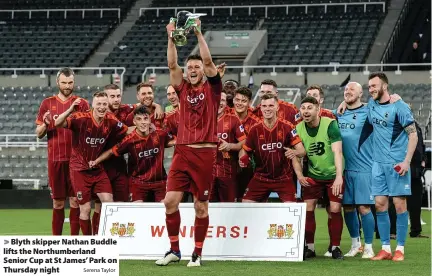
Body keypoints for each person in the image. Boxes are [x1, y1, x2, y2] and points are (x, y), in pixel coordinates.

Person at [156, 18, 222, 267]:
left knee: (200, 206)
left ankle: (197, 252)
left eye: (197, 67)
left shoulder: (213, 89)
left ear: (203, 71)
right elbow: (172, 63)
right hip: (182, 153)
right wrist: (171, 36)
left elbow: (208, 61)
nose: (194, 69)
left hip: (205, 154)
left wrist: (198, 34)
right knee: (170, 201)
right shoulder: (182, 89)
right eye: (190, 67)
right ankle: (174, 250)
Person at [337, 72, 418, 261]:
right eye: (369, 86)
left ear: (384, 86)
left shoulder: (400, 106)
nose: (371, 89)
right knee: (380, 206)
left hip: (397, 164)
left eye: (374, 86)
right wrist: (343, 104)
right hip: (377, 165)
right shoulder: (371, 105)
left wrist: (406, 161)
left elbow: (413, 135)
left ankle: (400, 249)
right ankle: (385, 248)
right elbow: (358, 106)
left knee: (399, 206)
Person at [54, 91, 129, 235]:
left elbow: (127, 131)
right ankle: (89, 243)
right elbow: (57, 123)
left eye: (104, 104)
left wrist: (146, 128)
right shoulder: (80, 118)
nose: (102, 107)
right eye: (99, 104)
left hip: (97, 168)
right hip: (79, 170)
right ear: (93, 105)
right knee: (86, 208)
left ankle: (106, 237)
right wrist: (70, 109)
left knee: (109, 202)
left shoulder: (111, 120)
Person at [35, 67, 90, 236]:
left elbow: (89, 129)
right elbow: (38, 134)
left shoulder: (81, 103)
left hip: (76, 161)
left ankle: (73, 241)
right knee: (58, 203)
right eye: (64, 82)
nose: (67, 86)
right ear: (58, 82)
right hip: (56, 160)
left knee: (75, 201)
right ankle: (56, 242)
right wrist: (45, 123)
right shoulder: (47, 103)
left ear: (74, 83)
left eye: (70, 82)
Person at [89, 106, 175, 202]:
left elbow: (175, 141)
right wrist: (96, 161)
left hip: (159, 182)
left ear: (150, 120)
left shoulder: (160, 134)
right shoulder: (129, 140)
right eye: (139, 119)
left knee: (164, 210)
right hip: (138, 183)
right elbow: (111, 152)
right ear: (134, 122)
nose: (143, 122)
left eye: (145, 119)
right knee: (137, 210)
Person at [294, 96, 344, 260]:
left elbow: (338, 152)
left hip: (331, 175)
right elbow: (295, 154)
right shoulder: (298, 128)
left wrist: (338, 177)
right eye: (303, 108)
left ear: (318, 110)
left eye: (310, 108)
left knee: (335, 209)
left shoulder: (330, 124)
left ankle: (335, 247)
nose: (306, 111)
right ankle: (310, 248)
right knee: (308, 208)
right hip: (313, 175)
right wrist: (300, 175)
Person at [239, 94, 305, 203]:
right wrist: (242, 158)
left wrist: (294, 152)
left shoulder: (288, 127)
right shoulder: (254, 130)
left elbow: (302, 151)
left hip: (283, 178)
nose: (267, 109)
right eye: (264, 106)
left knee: (291, 208)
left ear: (277, 107)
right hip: (261, 177)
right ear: (261, 108)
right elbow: (244, 149)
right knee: (246, 204)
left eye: (271, 105)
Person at [336, 82, 376, 258]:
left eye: (352, 89)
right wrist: (342, 105)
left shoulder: (368, 111)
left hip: (364, 169)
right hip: (347, 170)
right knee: (348, 208)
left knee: (364, 208)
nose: (348, 92)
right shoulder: (337, 114)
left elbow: (385, 106)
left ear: (361, 93)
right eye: (346, 90)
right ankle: (355, 244)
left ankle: (368, 246)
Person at [90, 84, 135, 235]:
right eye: (112, 96)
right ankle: (96, 237)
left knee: (121, 203)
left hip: (119, 164)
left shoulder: (125, 110)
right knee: (99, 205)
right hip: (101, 166)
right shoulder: (97, 116)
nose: (116, 99)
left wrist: (155, 105)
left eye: (118, 96)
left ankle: (121, 237)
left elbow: (143, 103)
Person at [211, 91, 246, 202]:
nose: (219, 102)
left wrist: (229, 146)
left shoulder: (233, 119)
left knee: (229, 206)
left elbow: (244, 141)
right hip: (206, 172)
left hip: (227, 171)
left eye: (222, 100)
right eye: (216, 98)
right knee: (207, 206)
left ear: (226, 103)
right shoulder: (202, 120)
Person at [232, 87, 261, 201]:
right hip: (225, 165)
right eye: (237, 100)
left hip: (247, 167)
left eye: (243, 101)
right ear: (233, 100)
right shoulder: (225, 115)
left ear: (249, 102)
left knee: (244, 201)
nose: (239, 103)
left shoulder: (256, 122)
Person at [407, 120, 428, 238]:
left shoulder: (416, 126)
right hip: (404, 168)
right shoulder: (400, 126)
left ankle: (416, 231)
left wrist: (424, 159)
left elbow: (421, 146)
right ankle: (391, 232)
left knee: (416, 201)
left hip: (416, 171)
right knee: (394, 201)